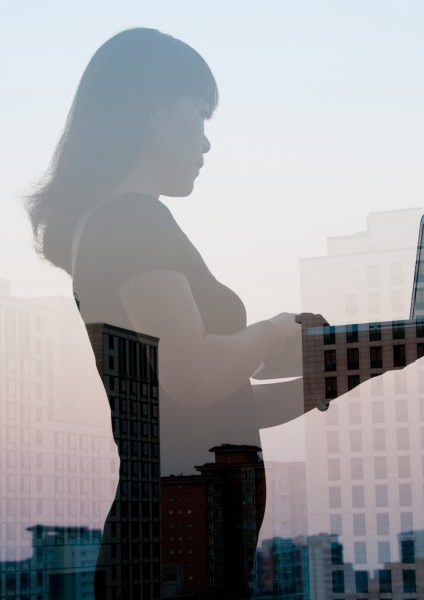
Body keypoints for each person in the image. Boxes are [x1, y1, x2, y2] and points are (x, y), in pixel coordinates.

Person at [25, 28, 303, 597]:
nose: (206, 142)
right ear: (153, 110)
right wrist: (274, 329)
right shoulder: (131, 221)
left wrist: (346, 372)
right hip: (173, 541)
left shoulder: (117, 222)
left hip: (179, 538)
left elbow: (211, 406)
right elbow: (195, 374)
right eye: (200, 115)